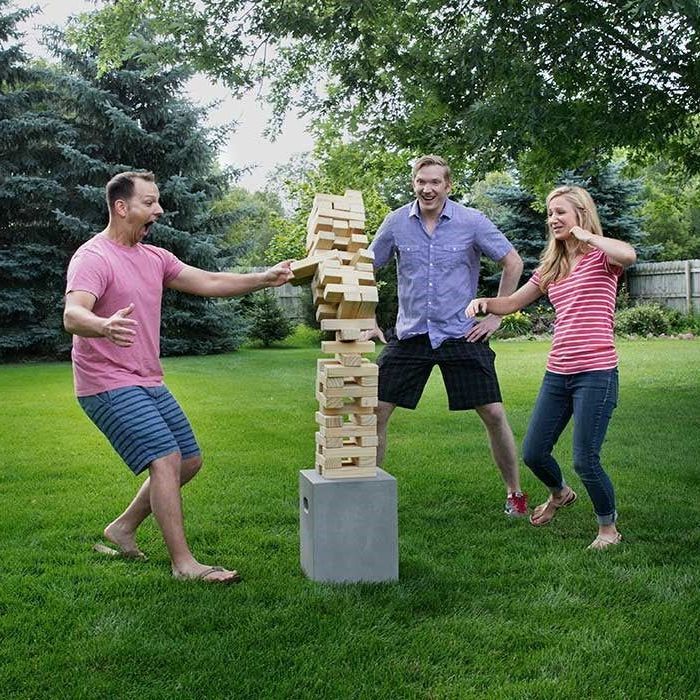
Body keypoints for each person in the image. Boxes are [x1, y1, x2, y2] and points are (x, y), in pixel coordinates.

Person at [64, 170, 293, 583]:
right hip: (105, 380)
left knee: (189, 460)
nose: (159, 209)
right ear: (122, 207)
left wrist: (263, 279)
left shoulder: (155, 258)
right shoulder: (94, 257)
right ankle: (184, 565)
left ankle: (122, 527)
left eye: (158, 200)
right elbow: (73, 313)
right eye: (149, 202)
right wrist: (102, 325)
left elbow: (209, 280)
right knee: (165, 459)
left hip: (147, 378)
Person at [467, 185, 637, 549]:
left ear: (580, 213)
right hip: (558, 372)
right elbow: (512, 302)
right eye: (550, 212)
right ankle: (559, 494)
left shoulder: (601, 258)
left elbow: (629, 254)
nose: (552, 219)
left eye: (560, 211)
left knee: (585, 459)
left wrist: (586, 235)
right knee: (533, 452)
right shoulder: (551, 267)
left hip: (596, 372)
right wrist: (485, 302)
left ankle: (608, 529)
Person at [365, 155, 529, 517]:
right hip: (411, 335)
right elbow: (364, 269)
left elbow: (513, 262)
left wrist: (496, 317)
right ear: (414, 183)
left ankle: (514, 493)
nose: (428, 188)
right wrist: (369, 317)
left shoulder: (471, 222)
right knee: (375, 409)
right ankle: (369, 492)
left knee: (493, 412)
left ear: (448, 186)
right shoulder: (395, 223)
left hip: (461, 333)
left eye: (435, 182)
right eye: (421, 181)